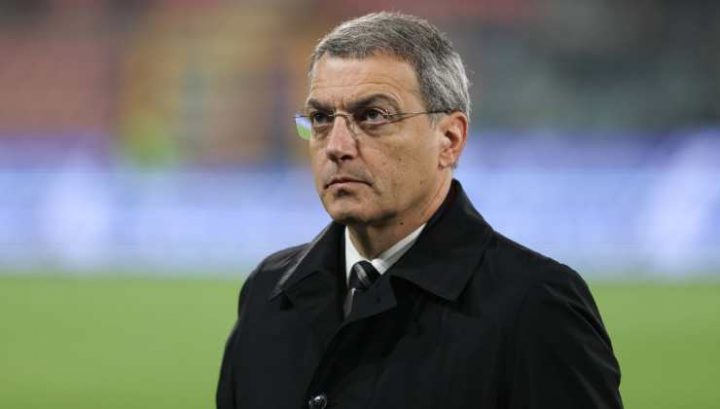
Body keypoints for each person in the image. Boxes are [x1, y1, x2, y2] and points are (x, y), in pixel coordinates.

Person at [217, 12, 622, 409]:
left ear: (450, 139)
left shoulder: (535, 306)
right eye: (321, 118)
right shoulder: (267, 293)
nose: (337, 146)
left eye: (372, 116)